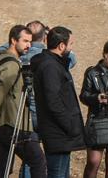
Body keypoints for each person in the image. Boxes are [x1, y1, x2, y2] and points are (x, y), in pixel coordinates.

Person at [0, 25, 48, 178]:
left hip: (2, 124)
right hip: (12, 125)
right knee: (38, 162)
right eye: (25, 41)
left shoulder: (0, 58)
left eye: (30, 41)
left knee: (3, 166)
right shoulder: (12, 65)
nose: (29, 45)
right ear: (13, 41)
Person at [32, 26, 86, 178]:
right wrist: (69, 124)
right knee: (57, 174)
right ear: (61, 46)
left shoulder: (55, 64)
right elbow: (53, 101)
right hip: (57, 132)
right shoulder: (50, 66)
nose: (71, 47)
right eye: (70, 44)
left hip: (61, 134)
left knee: (62, 174)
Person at [81, 41, 108, 178]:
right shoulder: (92, 72)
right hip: (97, 118)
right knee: (93, 162)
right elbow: (83, 95)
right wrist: (97, 98)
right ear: (104, 55)